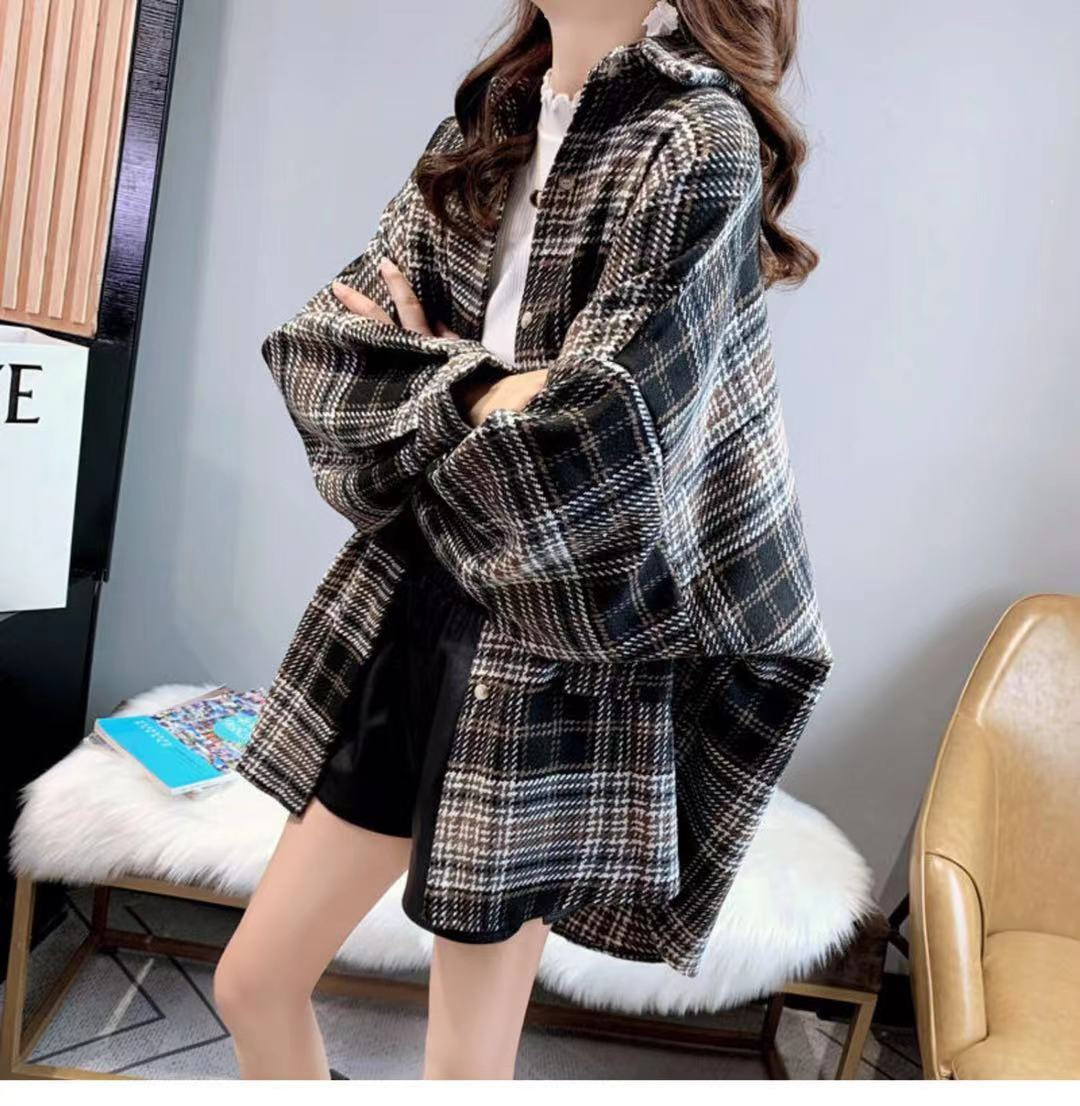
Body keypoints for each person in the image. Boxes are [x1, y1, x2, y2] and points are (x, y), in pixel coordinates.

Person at [214, 0, 831, 1080]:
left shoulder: (701, 139)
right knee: (252, 983)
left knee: (465, 1067)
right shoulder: (489, 121)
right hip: (413, 600)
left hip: (557, 644)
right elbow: (328, 356)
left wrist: (431, 380)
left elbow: (600, 443)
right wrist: (489, 391)